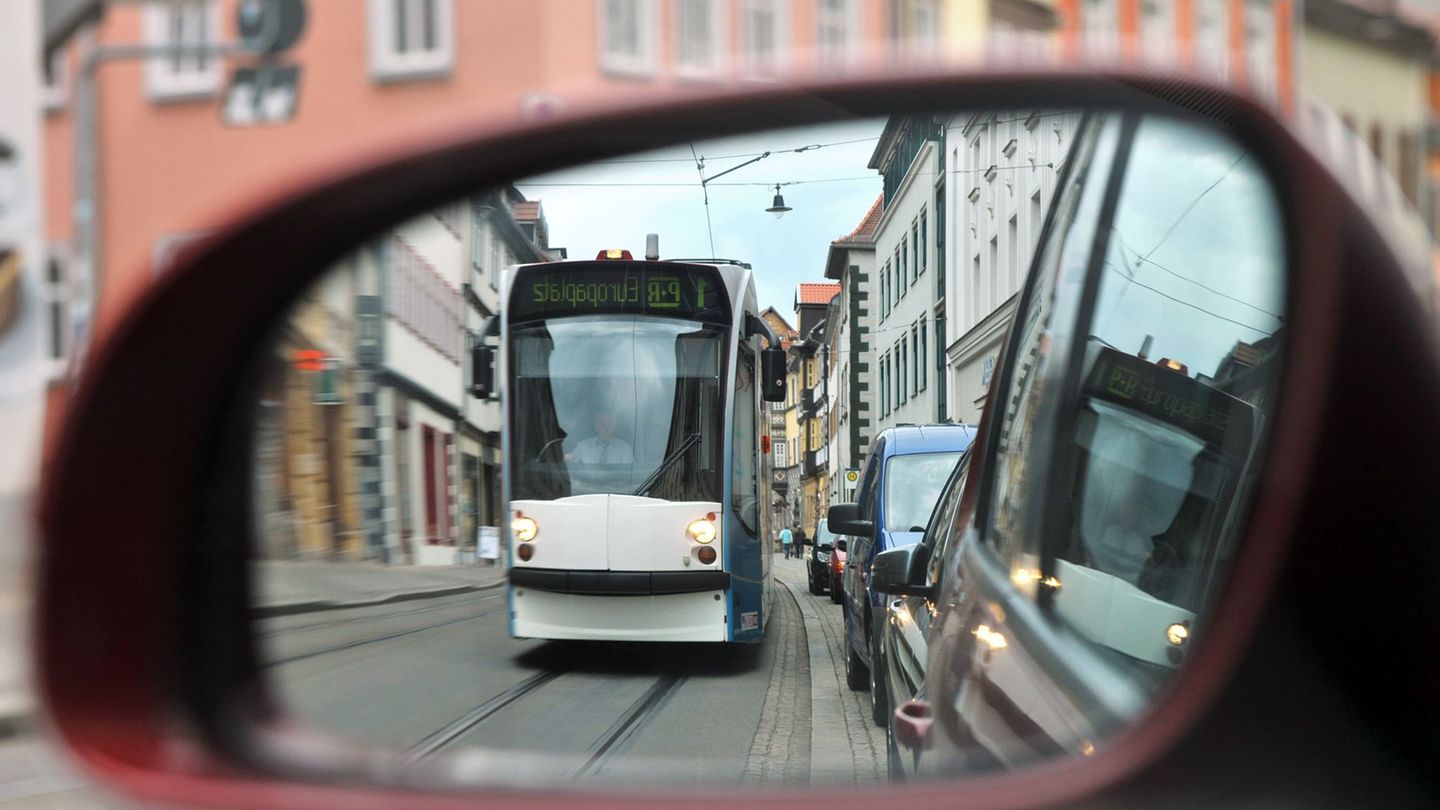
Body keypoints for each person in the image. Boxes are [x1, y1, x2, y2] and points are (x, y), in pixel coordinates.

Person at [566, 410, 634, 464]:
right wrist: (566, 458)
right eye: (603, 425)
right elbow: (569, 462)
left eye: (611, 424)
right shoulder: (583, 446)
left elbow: (629, 474)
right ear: (596, 427)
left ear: (615, 426)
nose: (607, 428)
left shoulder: (625, 449)